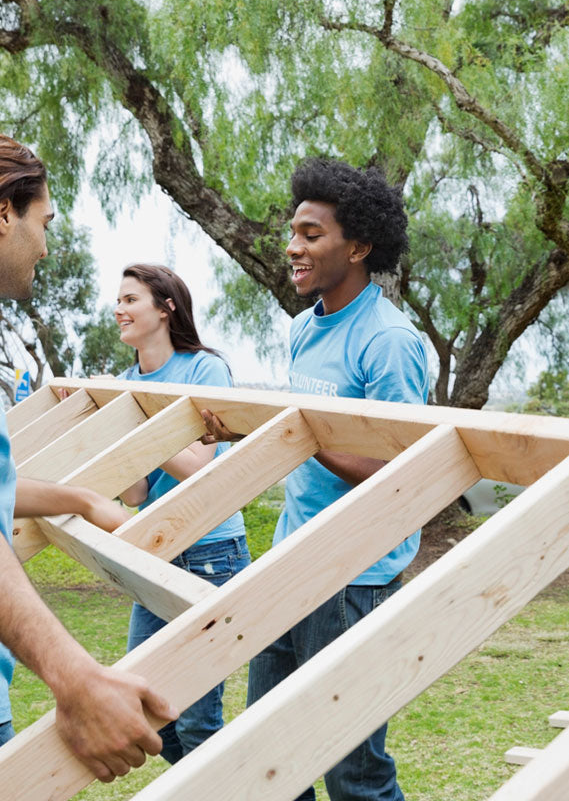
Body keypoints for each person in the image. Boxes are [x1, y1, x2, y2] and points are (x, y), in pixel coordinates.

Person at [0, 126, 176, 798]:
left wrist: (79, 500)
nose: (47, 245)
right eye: (43, 221)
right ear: (3, 213)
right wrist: (75, 676)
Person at [242, 157, 429, 801]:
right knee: (270, 753)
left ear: (359, 247)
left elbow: (400, 472)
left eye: (312, 234)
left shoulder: (389, 342)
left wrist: (301, 432)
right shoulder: (302, 330)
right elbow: (296, 439)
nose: (293, 247)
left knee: (352, 771)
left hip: (355, 577)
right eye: (293, 232)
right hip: (292, 560)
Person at [114, 263, 250, 764]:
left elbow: (197, 466)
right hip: (156, 552)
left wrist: (139, 424)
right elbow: (134, 494)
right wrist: (119, 435)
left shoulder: (204, 370)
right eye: (119, 300)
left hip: (211, 554)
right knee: (148, 706)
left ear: (166, 307)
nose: (119, 309)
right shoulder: (128, 381)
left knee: (197, 719)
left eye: (131, 299)